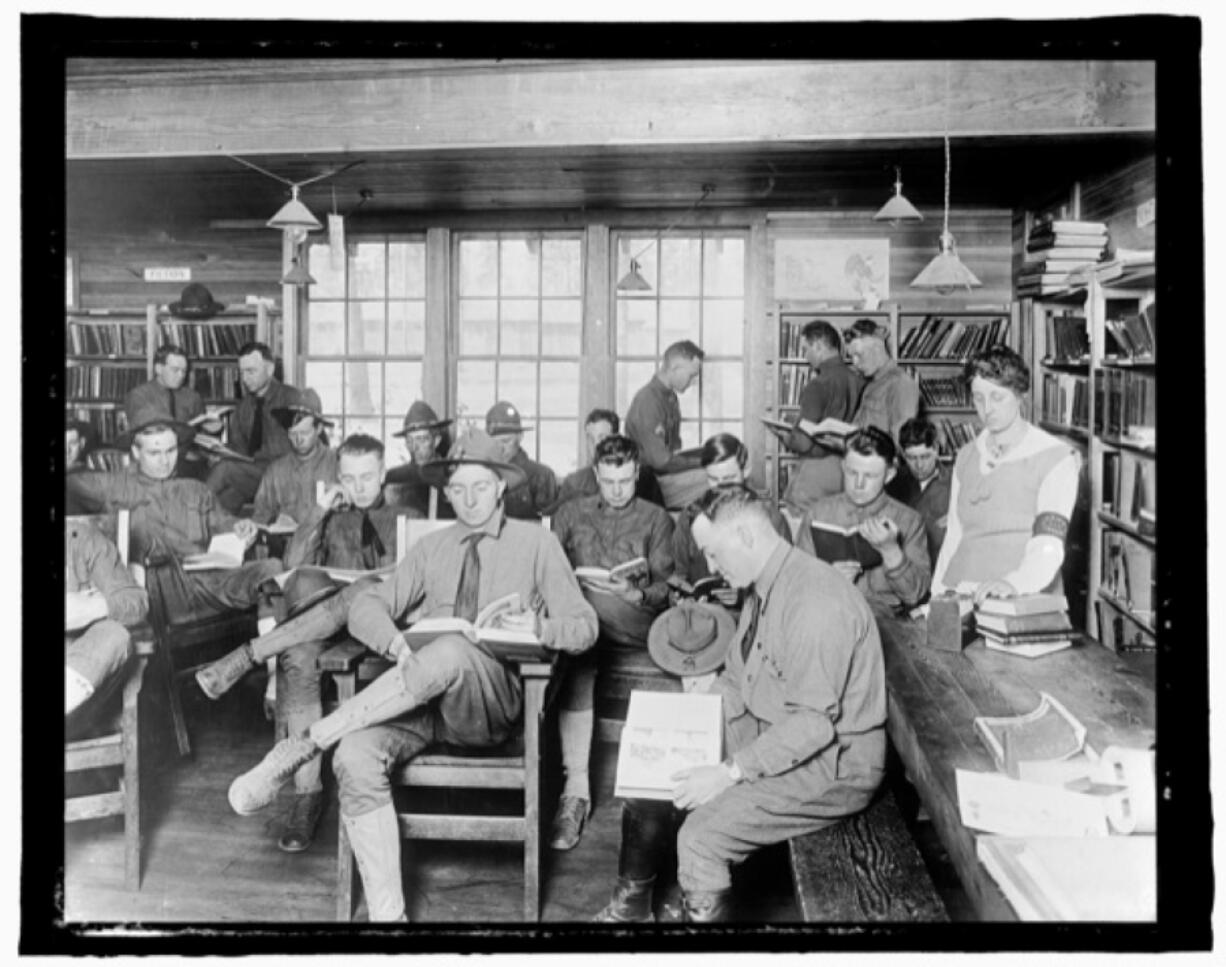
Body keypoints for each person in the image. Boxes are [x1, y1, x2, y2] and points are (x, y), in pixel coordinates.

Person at [224, 429, 598, 922]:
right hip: (420, 704)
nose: (469, 500)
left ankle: (311, 740)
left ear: (502, 487)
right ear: (445, 492)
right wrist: (397, 643)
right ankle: (388, 919)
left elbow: (586, 628)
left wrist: (539, 626)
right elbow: (365, 604)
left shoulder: (537, 543)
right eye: (458, 490)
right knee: (355, 756)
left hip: (492, 707)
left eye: (480, 488)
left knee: (452, 647)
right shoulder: (432, 547)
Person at [614, 484, 885, 922]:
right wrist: (685, 723)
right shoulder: (763, 587)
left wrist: (727, 772)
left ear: (746, 536)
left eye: (715, 555)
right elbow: (738, 679)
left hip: (834, 763)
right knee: (651, 771)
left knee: (701, 836)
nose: (712, 568)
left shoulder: (814, 600)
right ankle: (629, 913)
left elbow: (812, 726)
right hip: (774, 731)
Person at [196, 433, 410, 854]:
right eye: (349, 478)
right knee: (297, 653)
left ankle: (249, 657)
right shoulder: (330, 517)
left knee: (364, 588)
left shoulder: (408, 516)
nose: (359, 487)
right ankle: (306, 795)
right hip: (326, 634)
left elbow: (408, 582)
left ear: (383, 474)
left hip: (383, 636)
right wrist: (318, 511)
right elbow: (292, 572)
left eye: (368, 477)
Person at [548, 434, 676, 851]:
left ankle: (575, 792)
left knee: (579, 628)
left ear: (637, 473)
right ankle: (577, 792)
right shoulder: (569, 514)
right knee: (580, 650)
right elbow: (547, 572)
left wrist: (636, 593)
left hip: (634, 622)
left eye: (625, 481)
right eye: (607, 481)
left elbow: (667, 589)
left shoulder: (657, 519)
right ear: (595, 474)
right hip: (586, 631)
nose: (617, 490)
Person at [64, 403, 281, 627]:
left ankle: (271, 656)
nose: (164, 461)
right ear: (136, 452)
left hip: (213, 582)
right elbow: (70, 484)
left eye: (171, 451)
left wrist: (242, 528)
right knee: (142, 529)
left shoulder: (195, 489)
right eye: (154, 453)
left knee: (272, 569)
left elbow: (225, 523)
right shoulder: (114, 485)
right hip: (166, 592)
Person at [592, 600, 734, 923]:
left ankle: (688, 897)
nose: (690, 680)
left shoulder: (738, 675)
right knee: (644, 782)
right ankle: (631, 904)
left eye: (701, 669)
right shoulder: (672, 680)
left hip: (736, 775)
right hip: (696, 773)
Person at [932, 346, 1081, 603]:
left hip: (1022, 598)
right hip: (960, 594)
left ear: (1020, 394)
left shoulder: (1056, 458)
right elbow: (954, 536)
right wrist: (936, 595)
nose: (987, 408)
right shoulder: (966, 455)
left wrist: (1014, 583)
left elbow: (1049, 544)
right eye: (978, 398)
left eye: (997, 397)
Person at [797, 427, 931, 612]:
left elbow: (916, 596)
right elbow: (795, 584)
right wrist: (828, 580)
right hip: (830, 614)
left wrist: (892, 552)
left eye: (870, 476)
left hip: (888, 625)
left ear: (889, 475)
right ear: (843, 466)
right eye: (852, 473)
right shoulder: (817, 514)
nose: (859, 484)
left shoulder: (910, 521)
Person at [670, 434, 792, 608]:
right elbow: (678, 577)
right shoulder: (691, 517)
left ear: (746, 470)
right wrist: (680, 599)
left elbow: (784, 584)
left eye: (728, 480)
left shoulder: (771, 519)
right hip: (702, 617)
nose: (721, 489)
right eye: (713, 480)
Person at [65, 517, 150, 727]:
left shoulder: (80, 538)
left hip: (79, 681)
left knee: (114, 635)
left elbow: (136, 601)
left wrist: (90, 608)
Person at [779, 320, 864, 513]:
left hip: (817, 470)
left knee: (804, 528)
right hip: (849, 468)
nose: (806, 355)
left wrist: (785, 435)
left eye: (806, 349)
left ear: (818, 346)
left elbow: (804, 443)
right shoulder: (859, 380)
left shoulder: (818, 385)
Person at [206, 341, 297, 514]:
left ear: (269, 370)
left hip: (285, 477)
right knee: (226, 499)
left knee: (225, 470)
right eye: (242, 373)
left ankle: (188, 511)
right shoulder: (244, 407)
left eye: (251, 371)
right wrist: (218, 450)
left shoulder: (291, 399)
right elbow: (238, 451)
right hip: (254, 476)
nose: (245, 379)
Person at [624, 340, 708, 510]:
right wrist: (702, 462)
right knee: (724, 477)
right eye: (691, 376)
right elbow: (661, 462)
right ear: (675, 368)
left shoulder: (670, 397)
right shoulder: (648, 401)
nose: (693, 382)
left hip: (664, 475)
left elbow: (674, 449)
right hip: (650, 484)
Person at [250, 388, 338, 531]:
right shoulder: (275, 471)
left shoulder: (336, 464)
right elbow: (260, 515)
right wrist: (272, 522)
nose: (298, 440)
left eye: (304, 433)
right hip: (285, 545)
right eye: (292, 434)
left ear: (319, 429)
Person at [548, 408, 664, 512]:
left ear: (616, 437)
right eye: (590, 439)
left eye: (602, 437)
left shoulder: (643, 477)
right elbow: (552, 523)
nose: (595, 445)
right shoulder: (574, 482)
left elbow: (659, 519)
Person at [844, 319, 921, 442]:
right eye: (851, 357)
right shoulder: (871, 385)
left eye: (858, 354)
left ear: (877, 348)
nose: (855, 363)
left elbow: (901, 440)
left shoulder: (901, 383)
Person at [485, 400, 560, 521]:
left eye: (506, 441)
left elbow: (549, 527)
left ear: (520, 437)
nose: (501, 448)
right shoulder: (481, 474)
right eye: (494, 443)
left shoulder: (541, 476)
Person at [894, 417, 953, 566]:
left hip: (941, 569)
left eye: (925, 456)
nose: (919, 465)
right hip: (904, 569)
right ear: (902, 453)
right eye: (911, 458)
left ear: (936, 449)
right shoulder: (892, 483)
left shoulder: (957, 482)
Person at [383, 400, 455, 519]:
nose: (414, 447)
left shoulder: (451, 476)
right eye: (409, 441)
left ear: (436, 441)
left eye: (421, 439)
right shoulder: (395, 478)